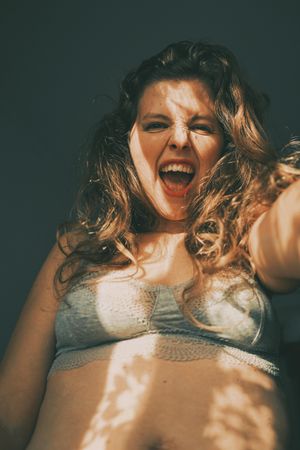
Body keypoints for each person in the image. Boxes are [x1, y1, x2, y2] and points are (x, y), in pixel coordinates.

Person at [0, 40, 299, 450]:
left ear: (225, 148)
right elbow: (9, 414)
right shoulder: (78, 246)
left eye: (202, 126)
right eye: (156, 124)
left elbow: (290, 234)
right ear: (128, 144)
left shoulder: (245, 236)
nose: (179, 139)